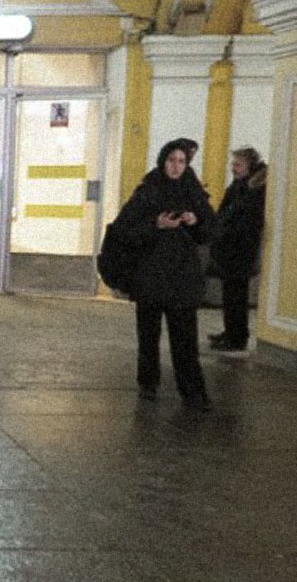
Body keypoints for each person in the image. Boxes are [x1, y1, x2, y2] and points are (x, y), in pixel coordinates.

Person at [112, 139, 215, 411]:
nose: (176, 166)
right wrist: (156, 224)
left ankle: (192, 392)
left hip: (182, 275)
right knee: (149, 333)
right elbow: (125, 230)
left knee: (185, 337)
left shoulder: (193, 191)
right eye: (171, 160)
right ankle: (148, 382)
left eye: (181, 161)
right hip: (151, 274)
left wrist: (195, 221)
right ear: (162, 161)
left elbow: (209, 230)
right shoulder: (148, 191)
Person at [208, 147, 267, 352]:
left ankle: (237, 338)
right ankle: (230, 332)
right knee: (230, 294)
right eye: (233, 164)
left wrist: (227, 233)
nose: (233, 168)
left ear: (249, 166)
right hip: (230, 248)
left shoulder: (254, 190)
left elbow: (249, 221)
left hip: (241, 250)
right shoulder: (240, 186)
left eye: (238, 164)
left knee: (237, 296)